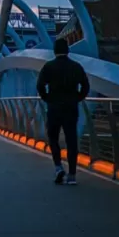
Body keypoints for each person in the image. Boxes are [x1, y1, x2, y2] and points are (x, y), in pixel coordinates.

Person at [36, 38, 90, 185]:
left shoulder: (49, 67)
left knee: (53, 137)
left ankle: (58, 167)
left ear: (54, 51)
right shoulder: (76, 67)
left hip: (54, 108)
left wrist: (47, 98)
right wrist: (77, 98)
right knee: (71, 139)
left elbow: (40, 85)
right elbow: (85, 86)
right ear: (68, 50)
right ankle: (72, 174)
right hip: (71, 107)